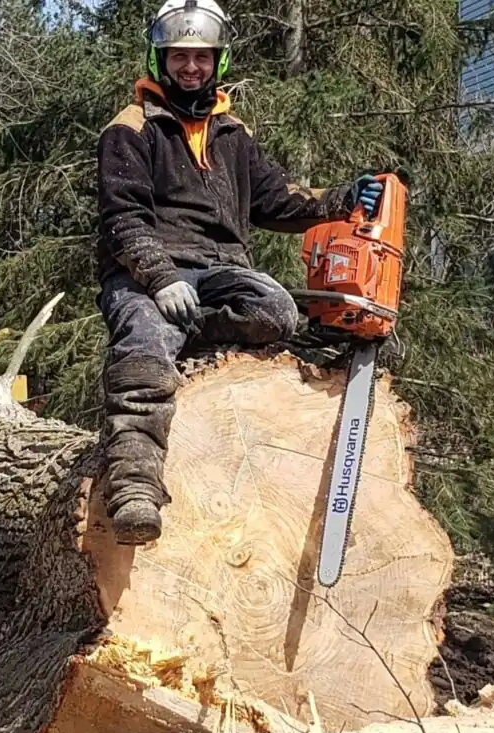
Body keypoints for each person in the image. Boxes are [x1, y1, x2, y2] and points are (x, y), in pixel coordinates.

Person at [95, 0, 385, 545]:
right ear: (160, 59)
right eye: (179, 56)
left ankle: (189, 328)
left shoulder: (231, 133)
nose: (190, 68)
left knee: (276, 310)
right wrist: (159, 278)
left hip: (220, 270)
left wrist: (341, 199)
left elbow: (276, 200)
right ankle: (134, 488)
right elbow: (123, 219)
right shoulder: (132, 127)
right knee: (144, 341)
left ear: (218, 61)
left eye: (200, 57)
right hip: (145, 272)